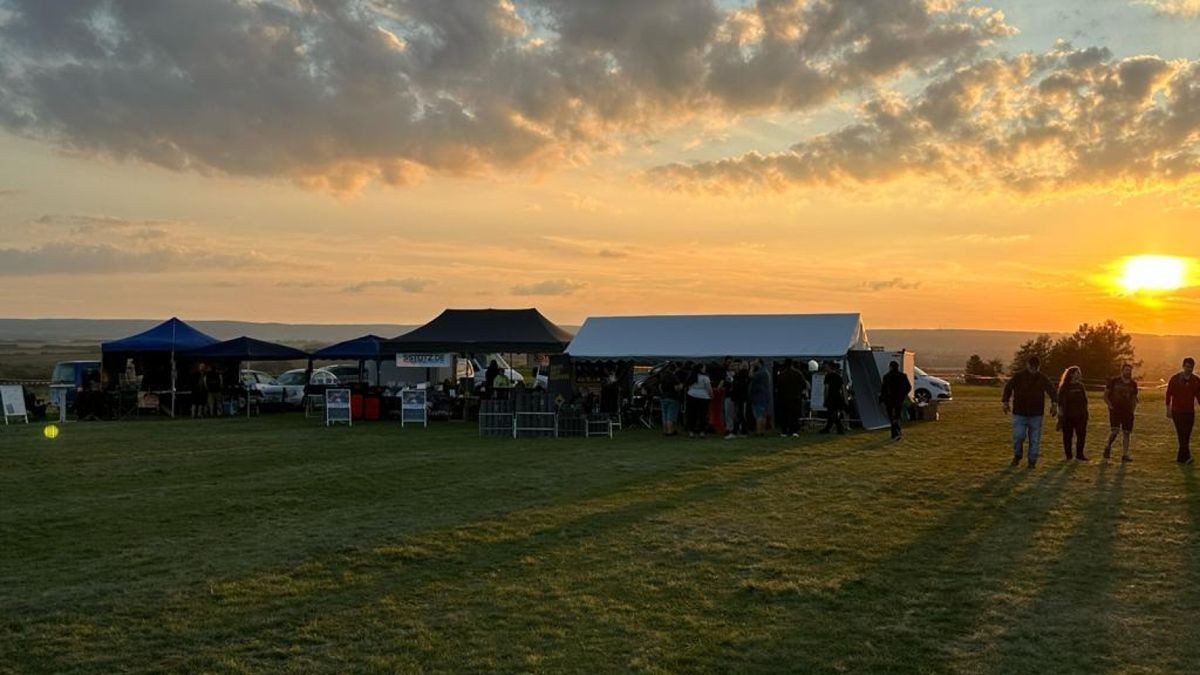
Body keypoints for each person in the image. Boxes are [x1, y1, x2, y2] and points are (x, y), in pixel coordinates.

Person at [1002, 356, 1058, 468]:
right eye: (1032, 367)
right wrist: (1005, 401)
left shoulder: (1042, 378)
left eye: (1035, 368)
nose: (1033, 369)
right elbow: (1008, 387)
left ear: (1038, 367)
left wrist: (1054, 403)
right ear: (1027, 365)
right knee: (1018, 436)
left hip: (1036, 414)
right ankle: (1018, 455)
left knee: (1034, 440)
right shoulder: (1018, 377)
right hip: (1020, 413)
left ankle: (1032, 461)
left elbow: (1052, 390)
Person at [1166, 357, 1200, 464]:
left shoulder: (1196, 380)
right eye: (1187, 367)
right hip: (1177, 411)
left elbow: (1199, 396)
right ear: (1183, 366)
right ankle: (1186, 457)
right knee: (1181, 434)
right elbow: (1168, 394)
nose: (1188, 369)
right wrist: (1168, 409)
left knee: (1187, 435)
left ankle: (1181, 458)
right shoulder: (1175, 379)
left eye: (1190, 367)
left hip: (1189, 412)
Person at [1103, 363, 1138, 462]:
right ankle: (1108, 446)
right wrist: (1110, 406)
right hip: (1115, 410)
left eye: (1130, 370)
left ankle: (1125, 454)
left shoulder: (1133, 384)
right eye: (1126, 370)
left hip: (1127, 411)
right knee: (1115, 431)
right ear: (1122, 371)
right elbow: (1105, 395)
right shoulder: (1114, 381)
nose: (1128, 372)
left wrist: (1133, 409)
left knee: (1126, 433)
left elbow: (1134, 398)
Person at [1056, 365, 1089, 461]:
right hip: (1068, 416)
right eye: (1077, 373)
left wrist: (1085, 413)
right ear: (1071, 374)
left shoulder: (1080, 386)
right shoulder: (1064, 387)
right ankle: (1068, 455)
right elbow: (1061, 403)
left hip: (1081, 416)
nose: (1079, 375)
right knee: (1067, 436)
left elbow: (1085, 400)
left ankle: (1080, 454)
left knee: (1081, 436)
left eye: (1079, 373)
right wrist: (1060, 417)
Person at [879, 360, 912, 441]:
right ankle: (897, 432)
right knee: (897, 416)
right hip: (899, 399)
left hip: (889, 400)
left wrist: (881, 398)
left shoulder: (886, 376)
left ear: (890, 367)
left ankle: (895, 433)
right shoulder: (903, 376)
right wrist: (903, 395)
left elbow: (883, 389)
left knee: (891, 417)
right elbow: (908, 387)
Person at [775, 359, 807, 437]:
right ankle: (794, 431)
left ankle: (784, 431)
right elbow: (804, 385)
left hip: (783, 398)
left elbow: (777, 386)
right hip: (795, 397)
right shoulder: (798, 373)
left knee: (784, 415)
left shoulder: (781, 375)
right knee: (794, 416)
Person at [686, 363, 713, 438]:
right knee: (703, 415)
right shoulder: (705, 378)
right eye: (704, 368)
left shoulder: (692, 376)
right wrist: (711, 395)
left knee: (692, 414)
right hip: (703, 397)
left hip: (691, 395)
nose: (705, 369)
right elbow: (709, 388)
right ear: (701, 369)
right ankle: (702, 432)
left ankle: (691, 431)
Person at [820, 361, 847, 435]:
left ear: (830, 367)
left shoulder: (828, 376)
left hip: (831, 397)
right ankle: (827, 428)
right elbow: (842, 388)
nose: (825, 368)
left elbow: (826, 388)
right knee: (832, 413)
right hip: (838, 396)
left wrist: (825, 398)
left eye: (826, 367)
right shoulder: (838, 376)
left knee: (832, 413)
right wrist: (845, 398)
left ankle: (839, 428)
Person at [658, 363, 682, 436]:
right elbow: (676, 388)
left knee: (664, 415)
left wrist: (663, 393)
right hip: (672, 397)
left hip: (663, 397)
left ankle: (665, 430)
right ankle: (670, 431)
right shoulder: (674, 377)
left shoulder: (663, 376)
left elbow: (660, 387)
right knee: (671, 416)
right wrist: (681, 386)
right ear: (675, 369)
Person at [749, 358, 771, 435]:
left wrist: (751, 367)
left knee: (759, 415)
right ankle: (762, 431)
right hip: (764, 396)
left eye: (755, 361)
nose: (754, 362)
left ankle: (759, 431)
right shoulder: (765, 371)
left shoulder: (761, 372)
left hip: (759, 396)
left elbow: (751, 376)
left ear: (759, 363)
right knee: (763, 414)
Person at [729, 361, 751, 438]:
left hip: (740, 398)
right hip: (739, 397)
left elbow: (740, 386)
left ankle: (737, 431)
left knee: (739, 415)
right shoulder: (740, 375)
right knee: (739, 415)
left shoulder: (743, 375)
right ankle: (741, 431)